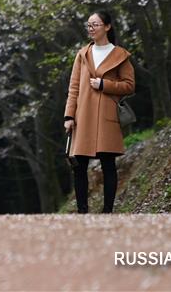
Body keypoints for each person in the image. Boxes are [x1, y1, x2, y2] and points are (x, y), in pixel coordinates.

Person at [64, 11, 136, 214]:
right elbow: (74, 87)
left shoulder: (120, 55)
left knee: (108, 164)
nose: (91, 28)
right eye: (88, 25)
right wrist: (69, 116)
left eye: (95, 24)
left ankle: (107, 211)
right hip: (82, 116)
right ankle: (82, 211)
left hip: (106, 116)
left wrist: (105, 84)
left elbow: (129, 86)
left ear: (107, 27)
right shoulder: (82, 54)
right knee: (79, 165)